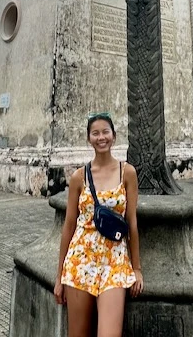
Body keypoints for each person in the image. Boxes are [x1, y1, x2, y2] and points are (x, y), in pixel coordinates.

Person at [54, 112, 143, 336]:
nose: (101, 137)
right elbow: (69, 226)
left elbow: (132, 222)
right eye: (95, 133)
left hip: (114, 259)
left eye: (105, 132)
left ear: (114, 136)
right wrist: (59, 277)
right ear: (89, 138)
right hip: (80, 259)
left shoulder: (128, 173)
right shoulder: (78, 177)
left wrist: (137, 269)